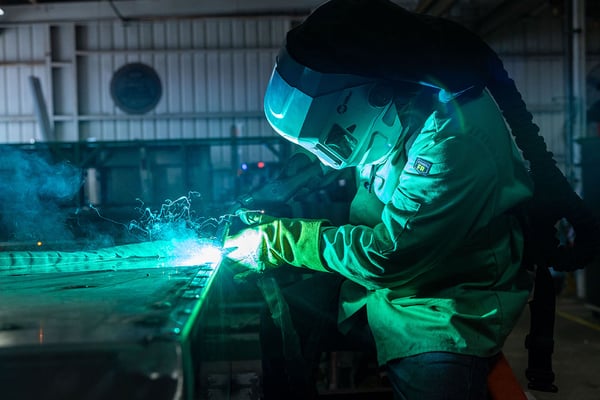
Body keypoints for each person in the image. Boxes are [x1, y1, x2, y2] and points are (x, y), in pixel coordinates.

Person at [224, 0, 599, 399]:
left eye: (330, 145)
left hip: (443, 301)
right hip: (376, 289)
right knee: (284, 318)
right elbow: (341, 144)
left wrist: (282, 240)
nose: (327, 156)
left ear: (375, 95)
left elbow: (388, 256)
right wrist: (283, 184)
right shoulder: (391, 97)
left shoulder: (453, 138)